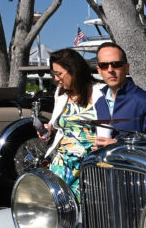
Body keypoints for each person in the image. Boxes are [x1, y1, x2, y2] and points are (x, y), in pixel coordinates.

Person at [40, 48, 103, 199]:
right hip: (62, 165)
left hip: (91, 166)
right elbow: (56, 124)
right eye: (54, 74)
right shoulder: (60, 93)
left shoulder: (101, 91)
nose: (56, 79)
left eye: (59, 73)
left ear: (74, 70)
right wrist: (48, 129)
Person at [92, 42, 146, 147]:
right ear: (99, 70)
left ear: (127, 68)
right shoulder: (100, 103)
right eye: (104, 65)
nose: (110, 70)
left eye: (116, 64)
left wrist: (120, 145)